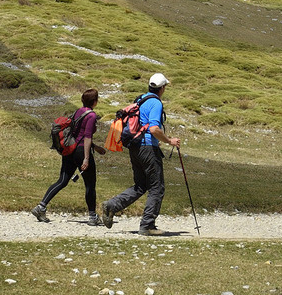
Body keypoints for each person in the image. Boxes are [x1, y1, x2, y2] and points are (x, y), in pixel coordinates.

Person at [100, 72, 179, 235]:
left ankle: (112, 205)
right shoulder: (156, 103)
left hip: (135, 147)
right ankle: (147, 225)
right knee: (157, 187)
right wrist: (169, 141)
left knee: (141, 185)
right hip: (148, 148)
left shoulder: (140, 99)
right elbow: (154, 129)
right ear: (162, 88)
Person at [32, 87, 101, 225]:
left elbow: (77, 133)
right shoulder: (92, 115)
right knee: (89, 184)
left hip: (70, 150)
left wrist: (96, 147)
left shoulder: (78, 111)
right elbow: (86, 137)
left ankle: (41, 206)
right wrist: (87, 158)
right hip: (81, 152)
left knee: (62, 180)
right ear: (95, 101)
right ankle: (92, 217)